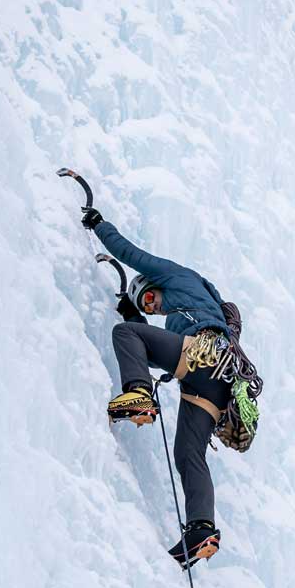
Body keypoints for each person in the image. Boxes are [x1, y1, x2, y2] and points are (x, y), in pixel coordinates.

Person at [81, 206, 231, 569]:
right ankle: (202, 528)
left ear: (155, 284)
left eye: (148, 296)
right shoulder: (186, 315)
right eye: (146, 305)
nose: (152, 305)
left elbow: (133, 255)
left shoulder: (180, 278)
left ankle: (138, 396)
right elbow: (157, 351)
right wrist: (134, 314)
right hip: (217, 383)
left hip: (205, 357)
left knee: (125, 334)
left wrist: (100, 226)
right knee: (187, 454)